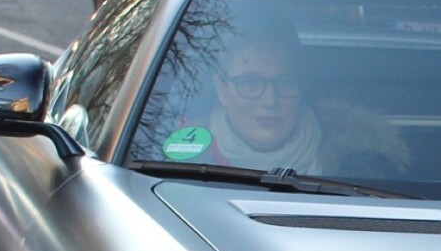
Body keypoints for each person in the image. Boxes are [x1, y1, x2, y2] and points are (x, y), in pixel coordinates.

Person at [174, 19, 406, 178]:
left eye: (285, 82)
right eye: (250, 83)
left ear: (303, 87)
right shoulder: (176, 159)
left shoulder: (360, 159)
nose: (269, 100)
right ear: (222, 89)